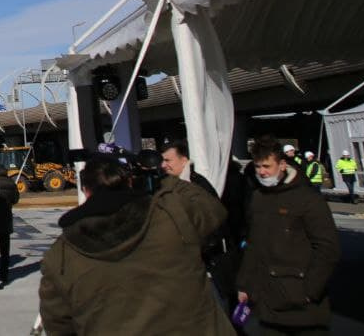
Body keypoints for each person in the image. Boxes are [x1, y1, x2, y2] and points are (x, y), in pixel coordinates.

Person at [39, 156, 231, 335]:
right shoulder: (171, 214)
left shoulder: (61, 255)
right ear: (130, 182)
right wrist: (162, 178)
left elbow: (57, 323)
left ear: (85, 190)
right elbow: (212, 209)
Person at [237, 136, 340, 335]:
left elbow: (328, 248)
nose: (262, 172)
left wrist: (311, 290)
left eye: (266, 166)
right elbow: (253, 245)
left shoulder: (307, 198)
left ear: (282, 164)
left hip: (302, 302)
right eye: (257, 167)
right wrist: (245, 284)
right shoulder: (258, 198)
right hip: (267, 301)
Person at [160, 140, 237, 315]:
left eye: (168, 160)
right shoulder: (169, 185)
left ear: (184, 159)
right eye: (163, 160)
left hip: (210, 267)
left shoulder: (198, 186)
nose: (163, 165)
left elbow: (215, 223)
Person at [0, 159, 19, 285]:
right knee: (5, 249)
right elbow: (16, 198)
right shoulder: (10, 181)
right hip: (6, 217)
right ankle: (4, 274)